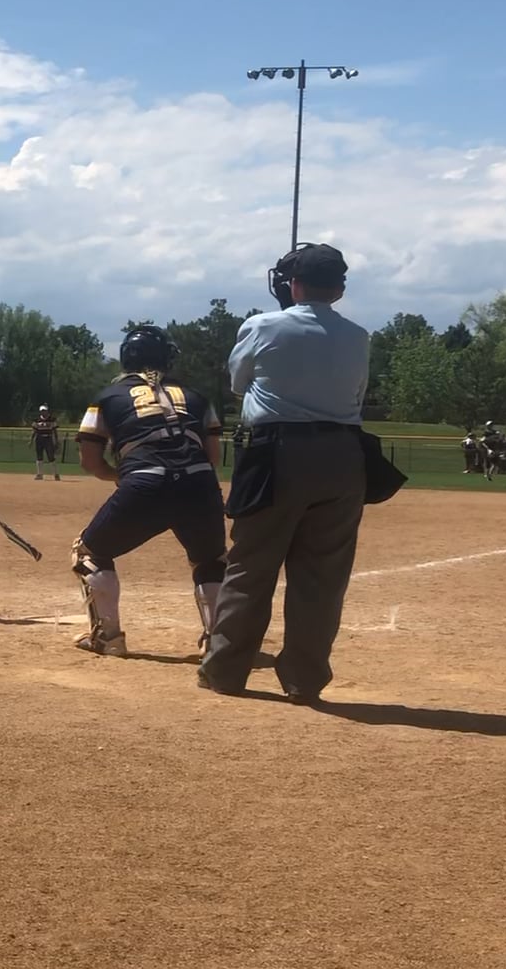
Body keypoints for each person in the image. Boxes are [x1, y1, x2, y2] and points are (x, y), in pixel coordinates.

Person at [200, 243, 371, 704]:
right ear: (339, 289)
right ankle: (304, 680)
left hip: (276, 453)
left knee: (251, 566)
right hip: (343, 455)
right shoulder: (359, 336)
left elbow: (238, 383)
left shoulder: (262, 326)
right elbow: (357, 393)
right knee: (323, 576)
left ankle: (225, 671)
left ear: (293, 285)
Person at [69, 326, 225, 657]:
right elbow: (213, 457)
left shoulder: (107, 397)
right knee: (210, 560)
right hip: (200, 485)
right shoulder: (197, 397)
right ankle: (219, 643)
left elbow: (89, 460)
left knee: (89, 552)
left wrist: (119, 476)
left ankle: (107, 638)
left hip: (145, 483)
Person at [31, 404, 61, 480]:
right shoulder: (37, 420)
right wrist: (31, 440)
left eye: (44, 410)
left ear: (47, 411)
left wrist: (56, 441)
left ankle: (56, 474)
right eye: (42, 411)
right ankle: (39, 474)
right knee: (39, 456)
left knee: (51, 456)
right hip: (39, 439)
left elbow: (55, 431)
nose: (43, 412)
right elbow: (34, 431)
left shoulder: (52, 419)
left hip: (48, 438)